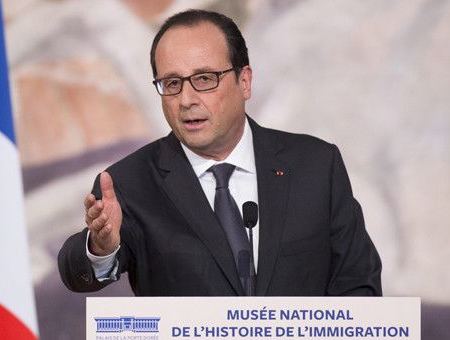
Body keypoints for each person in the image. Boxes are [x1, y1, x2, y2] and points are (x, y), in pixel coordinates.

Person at [58, 9, 382, 296]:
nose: (186, 99)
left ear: (244, 82)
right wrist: (101, 249)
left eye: (204, 79)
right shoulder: (128, 184)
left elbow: (357, 284)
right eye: (171, 83)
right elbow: (79, 275)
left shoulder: (315, 166)